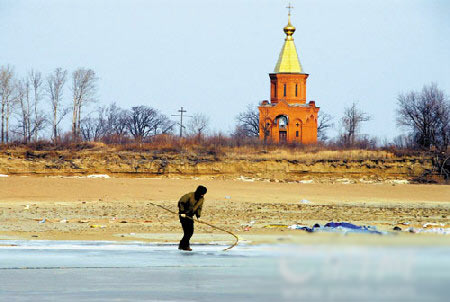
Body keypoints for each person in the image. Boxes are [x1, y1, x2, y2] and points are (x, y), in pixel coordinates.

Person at [178, 185, 207, 251]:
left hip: (190, 216)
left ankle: (182, 245)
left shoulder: (201, 199)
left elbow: (199, 208)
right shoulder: (189, 195)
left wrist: (198, 216)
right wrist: (182, 212)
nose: (203, 195)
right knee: (187, 232)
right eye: (202, 194)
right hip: (183, 215)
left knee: (190, 232)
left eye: (204, 194)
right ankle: (185, 246)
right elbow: (181, 202)